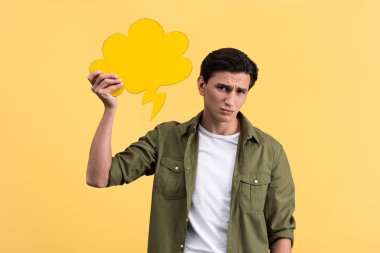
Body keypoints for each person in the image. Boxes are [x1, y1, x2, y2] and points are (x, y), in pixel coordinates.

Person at [86, 48, 296, 253]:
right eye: (222, 88)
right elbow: (99, 177)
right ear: (202, 85)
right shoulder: (167, 138)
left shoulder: (269, 151)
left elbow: (280, 230)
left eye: (240, 91)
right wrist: (109, 109)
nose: (230, 101)